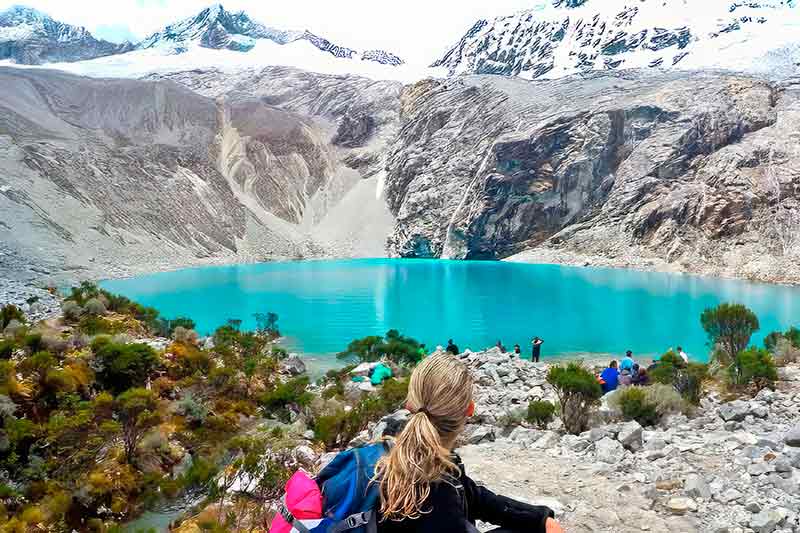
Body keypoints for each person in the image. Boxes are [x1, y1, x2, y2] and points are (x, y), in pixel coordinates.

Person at [376, 354, 562, 533]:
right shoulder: (442, 497)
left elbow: (473, 496)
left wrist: (539, 518)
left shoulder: (374, 457)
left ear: (409, 405)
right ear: (470, 410)